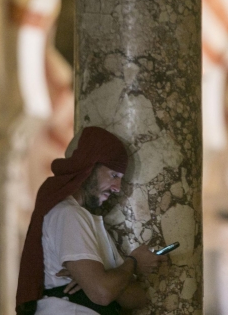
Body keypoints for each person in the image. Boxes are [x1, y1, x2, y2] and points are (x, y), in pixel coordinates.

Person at [16, 126, 166, 314]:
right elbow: (102, 293)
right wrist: (133, 264)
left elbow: (137, 298)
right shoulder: (69, 214)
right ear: (89, 167)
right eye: (114, 175)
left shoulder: (86, 219)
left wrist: (96, 278)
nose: (117, 188)